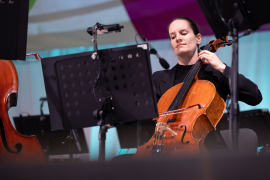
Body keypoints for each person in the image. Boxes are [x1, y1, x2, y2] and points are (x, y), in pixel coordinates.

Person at [152, 17, 262, 155]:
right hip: (162, 149)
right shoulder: (159, 78)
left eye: (183, 33)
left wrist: (222, 68)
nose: (178, 38)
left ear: (198, 38)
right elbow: (143, 121)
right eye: (172, 36)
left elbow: (255, 97)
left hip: (207, 151)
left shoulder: (215, 74)